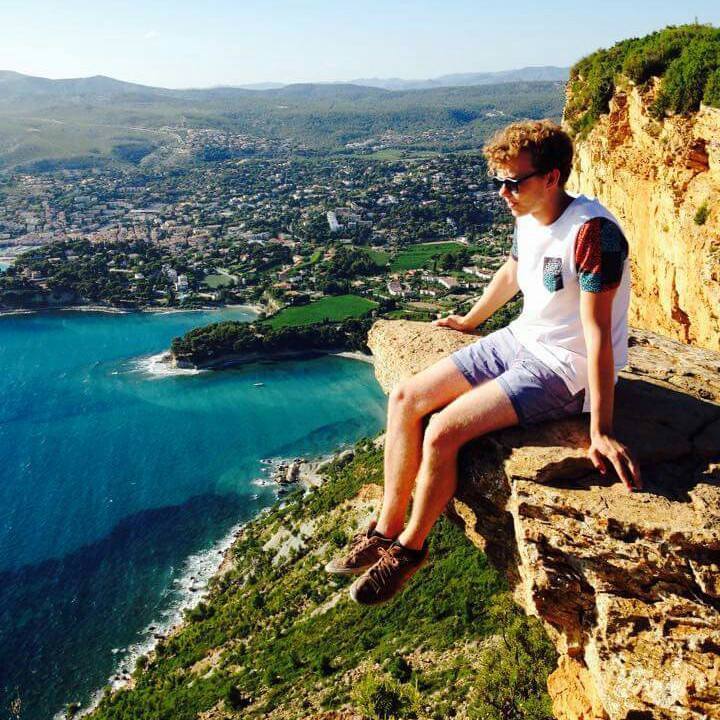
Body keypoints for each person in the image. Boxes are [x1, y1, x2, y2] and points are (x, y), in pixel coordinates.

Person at [325, 119, 642, 606]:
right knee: (408, 397)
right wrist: (471, 320)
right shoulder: (529, 214)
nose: (503, 193)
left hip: (564, 366)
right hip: (520, 338)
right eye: (498, 182)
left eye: (514, 182)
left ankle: (410, 550)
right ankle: (386, 528)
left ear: (553, 177)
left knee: (444, 431)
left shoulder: (593, 235)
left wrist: (600, 427)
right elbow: (514, 271)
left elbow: (598, 335)